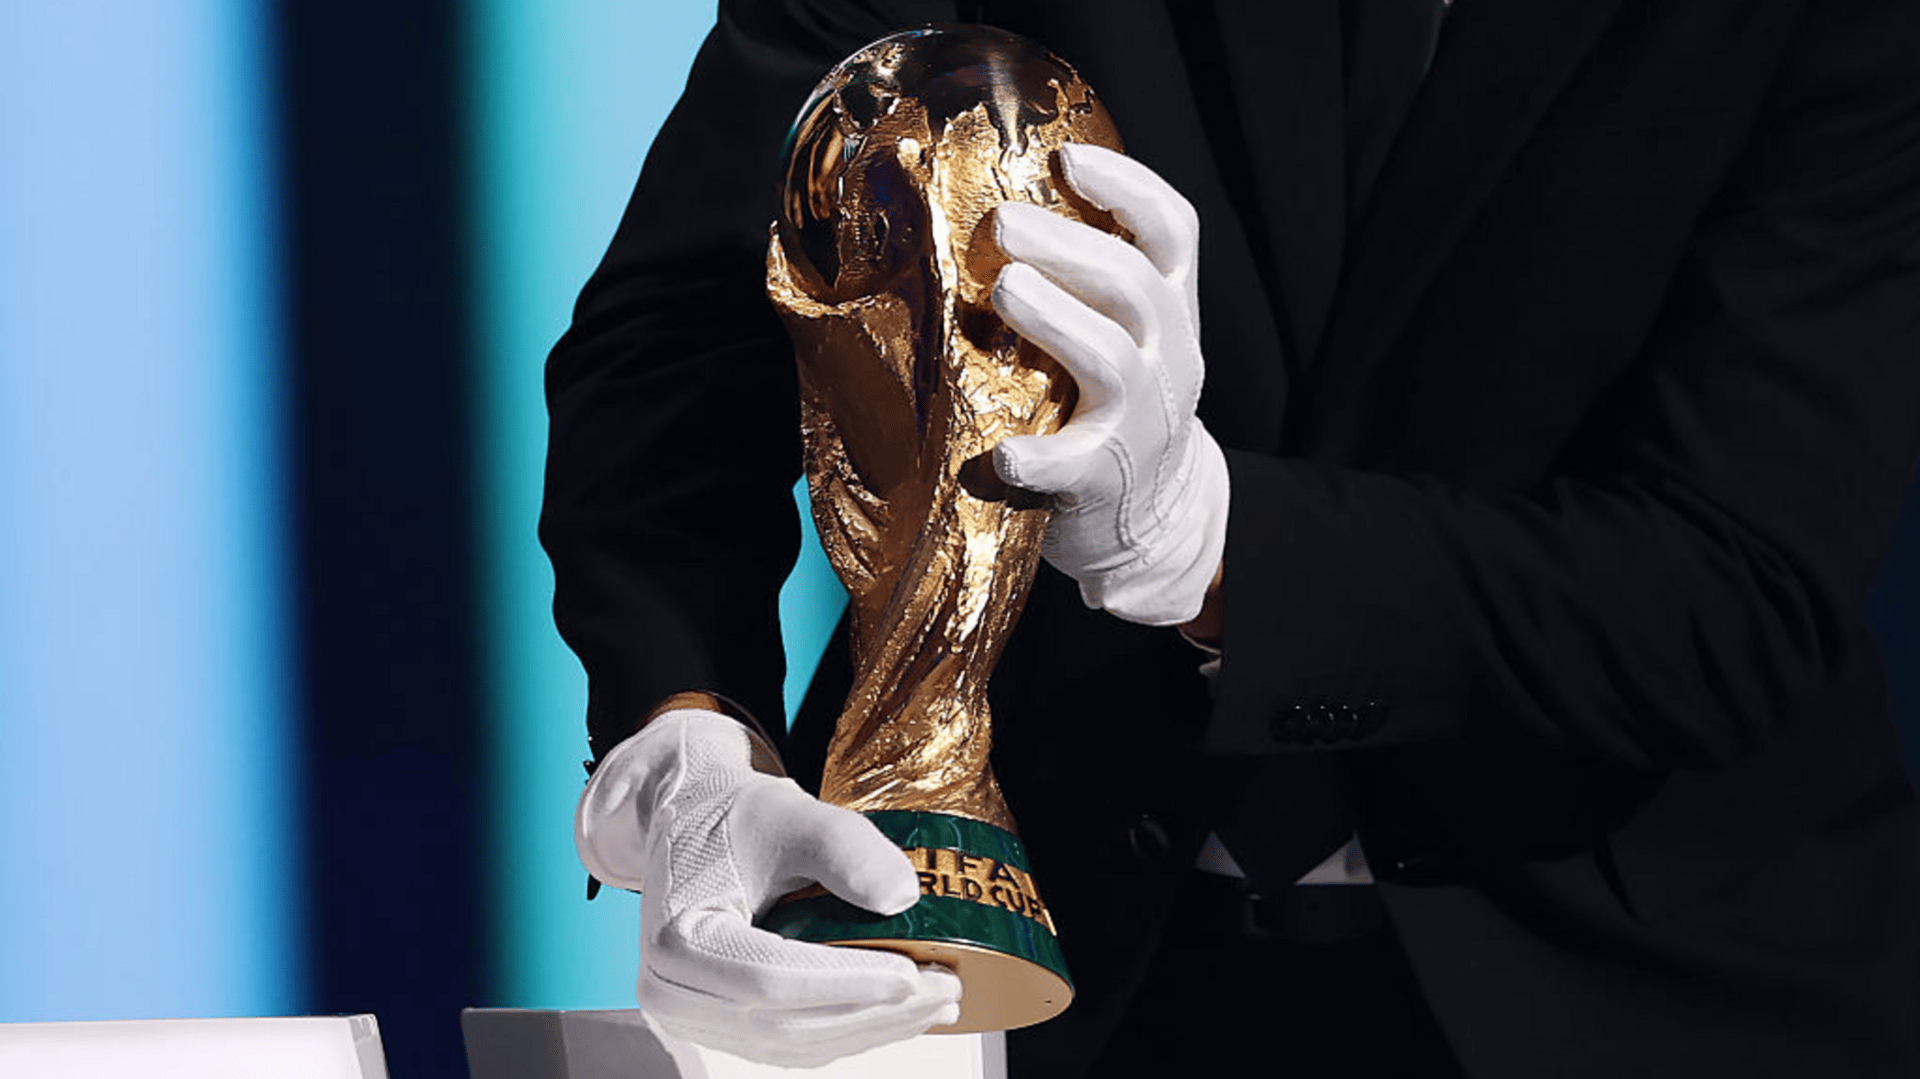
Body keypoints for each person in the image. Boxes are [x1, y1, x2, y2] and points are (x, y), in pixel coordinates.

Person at [544, 1, 1920, 1075]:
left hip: (1638, 984)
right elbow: (693, 319)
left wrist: (1213, 547)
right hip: (1016, 949)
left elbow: (1736, 588)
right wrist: (692, 735)